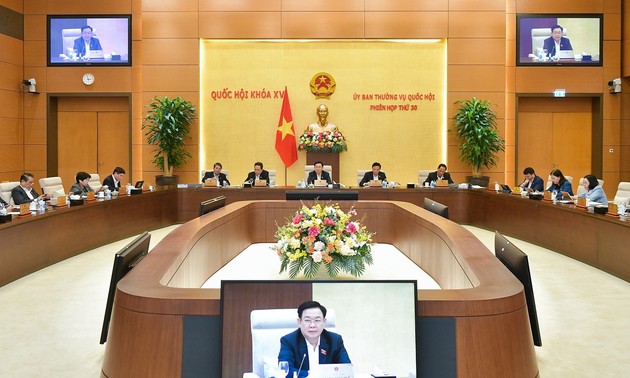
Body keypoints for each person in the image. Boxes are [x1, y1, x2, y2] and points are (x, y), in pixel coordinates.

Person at [278, 301, 351, 378]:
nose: (312, 325)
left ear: (324, 322)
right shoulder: (289, 341)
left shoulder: (335, 340)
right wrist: (312, 375)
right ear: (299, 322)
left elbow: (346, 369)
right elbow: (285, 370)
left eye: (317, 320)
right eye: (307, 320)